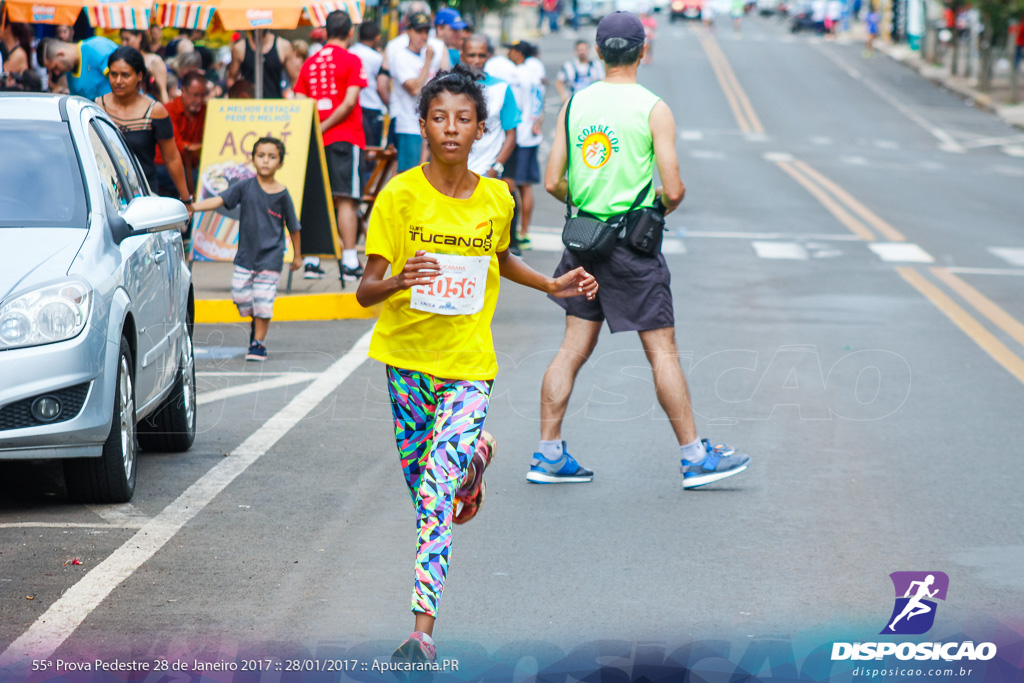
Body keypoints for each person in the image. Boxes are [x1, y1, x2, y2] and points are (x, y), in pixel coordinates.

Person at [355, 64, 597, 666]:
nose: (451, 129)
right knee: (426, 490)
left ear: (482, 129)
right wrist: (397, 281)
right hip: (406, 362)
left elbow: (502, 258)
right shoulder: (399, 196)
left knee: (435, 495)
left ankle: (421, 631)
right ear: (425, 126)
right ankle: (475, 461)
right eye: (439, 118)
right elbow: (365, 289)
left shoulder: (495, 199)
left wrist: (551, 283)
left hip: (469, 365)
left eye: (464, 119)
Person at [534, 11, 751, 489]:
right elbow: (672, 189)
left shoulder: (574, 105)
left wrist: (589, 208)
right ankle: (694, 456)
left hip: (583, 241)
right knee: (662, 351)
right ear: (641, 52)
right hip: (632, 249)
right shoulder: (654, 109)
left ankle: (548, 454)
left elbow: (552, 181)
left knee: (571, 349)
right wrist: (649, 212)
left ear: (597, 51)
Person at [192, 137, 302, 361]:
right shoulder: (244, 186)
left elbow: (294, 226)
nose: (266, 161)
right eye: (261, 156)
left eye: (272, 157)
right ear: (253, 159)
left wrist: (298, 256)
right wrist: (194, 207)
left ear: (280, 163)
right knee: (241, 296)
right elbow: (219, 200)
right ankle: (257, 319)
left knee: (263, 301)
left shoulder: (282, 193)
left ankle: (258, 343)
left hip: (271, 258)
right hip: (245, 256)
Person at [294, 10, 367, 282]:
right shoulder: (352, 59)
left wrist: (315, 130)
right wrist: (325, 127)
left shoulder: (310, 62)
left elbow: (299, 102)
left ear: (325, 32)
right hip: (345, 137)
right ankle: (349, 261)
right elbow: (349, 102)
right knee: (346, 198)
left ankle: (311, 261)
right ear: (350, 32)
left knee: (315, 197)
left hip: (314, 143)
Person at [95, 46, 192, 206]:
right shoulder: (97, 107)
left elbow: (172, 158)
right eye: (113, 74)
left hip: (144, 195)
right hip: (103, 195)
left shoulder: (154, 111)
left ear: (140, 76)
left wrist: (186, 198)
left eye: (125, 75)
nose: (118, 81)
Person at [388, 12, 442, 172]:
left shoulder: (427, 55)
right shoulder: (401, 56)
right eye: (419, 31)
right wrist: (427, 62)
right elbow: (414, 88)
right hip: (409, 126)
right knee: (410, 176)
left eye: (426, 32)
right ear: (409, 31)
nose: (423, 36)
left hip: (430, 126)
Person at [506, 41, 545, 248]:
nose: (507, 54)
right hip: (532, 133)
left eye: (510, 51)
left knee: (514, 185)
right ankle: (525, 230)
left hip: (520, 135)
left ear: (518, 53)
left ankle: (518, 233)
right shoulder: (535, 70)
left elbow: (516, 105)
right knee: (526, 186)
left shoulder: (519, 74)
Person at [463, 34, 519, 179]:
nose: (477, 60)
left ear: (488, 56)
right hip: (454, 174)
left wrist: (495, 168)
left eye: (481, 56)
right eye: (472, 55)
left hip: (486, 175)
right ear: (462, 56)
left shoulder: (501, 88)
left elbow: (511, 135)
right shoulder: (449, 87)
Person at [155, 69, 208, 197]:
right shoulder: (168, 110)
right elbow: (177, 146)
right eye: (195, 95)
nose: (199, 100)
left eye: (202, 96)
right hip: (164, 165)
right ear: (183, 91)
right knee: (201, 182)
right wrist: (197, 148)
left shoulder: (205, 111)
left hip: (190, 165)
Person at [37, 36, 118, 100]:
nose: (57, 73)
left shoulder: (97, 48)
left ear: (60, 54)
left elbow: (121, 78)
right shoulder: (70, 76)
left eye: (55, 67)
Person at [229, 29, 300, 99]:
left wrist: (295, 100)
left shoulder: (283, 46)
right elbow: (231, 79)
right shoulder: (240, 48)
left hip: (274, 106)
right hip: (249, 107)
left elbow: (295, 79)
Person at [350, 21, 388, 148]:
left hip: (353, 107)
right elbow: (381, 85)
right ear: (377, 38)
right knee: (372, 150)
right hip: (372, 107)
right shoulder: (376, 58)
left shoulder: (350, 52)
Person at [120, 29, 170, 102]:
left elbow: (163, 91)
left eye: (127, 39)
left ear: (139, 37)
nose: (124, 44)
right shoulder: (123, 61)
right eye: (122, 39)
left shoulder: (154, 61)